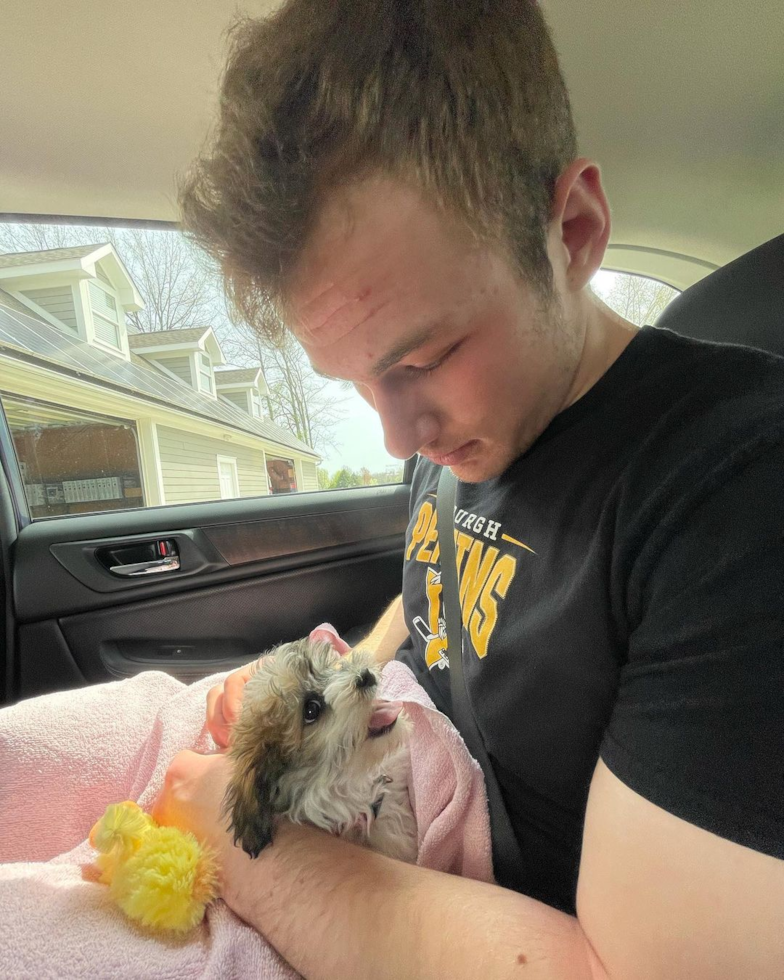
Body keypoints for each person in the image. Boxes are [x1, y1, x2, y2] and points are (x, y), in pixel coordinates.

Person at [155, 0, 784, 977]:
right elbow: (431, 608)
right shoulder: (454, 451)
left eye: (427, 356)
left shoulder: (736, 490)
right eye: (356, 381)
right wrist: (323, 686)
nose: (397, 433)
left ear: (572, 231)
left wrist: (242, 842)